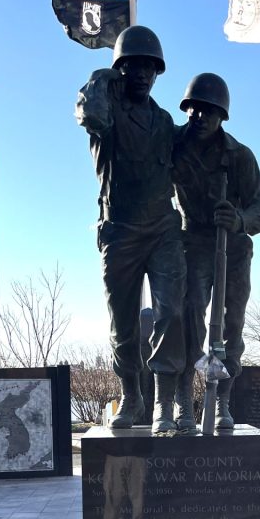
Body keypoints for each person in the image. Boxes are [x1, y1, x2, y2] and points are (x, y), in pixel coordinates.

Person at [75, 26, 186, 433]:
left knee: (170, 313)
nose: (142, 74)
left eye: (149, 67)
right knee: (122, 323)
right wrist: (101, 76)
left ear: (157, 72)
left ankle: (164, 403)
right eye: (132, 65)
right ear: (120, 69)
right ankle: (131, 394)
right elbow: (90, 113)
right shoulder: (106, 110)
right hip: (120, 230)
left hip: (162, 229)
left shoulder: (165, 121)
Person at [172, 73, 260, 432]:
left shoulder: (240, 156)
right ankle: (184, 397)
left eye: (209, 111)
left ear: (222, 116)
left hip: (234, 249)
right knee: (190, 317)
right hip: (193, 244)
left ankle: (221, 400)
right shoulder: (174, 145)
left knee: (231, 326)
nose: (200, 117)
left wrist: (239, 219)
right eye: (194, 109)